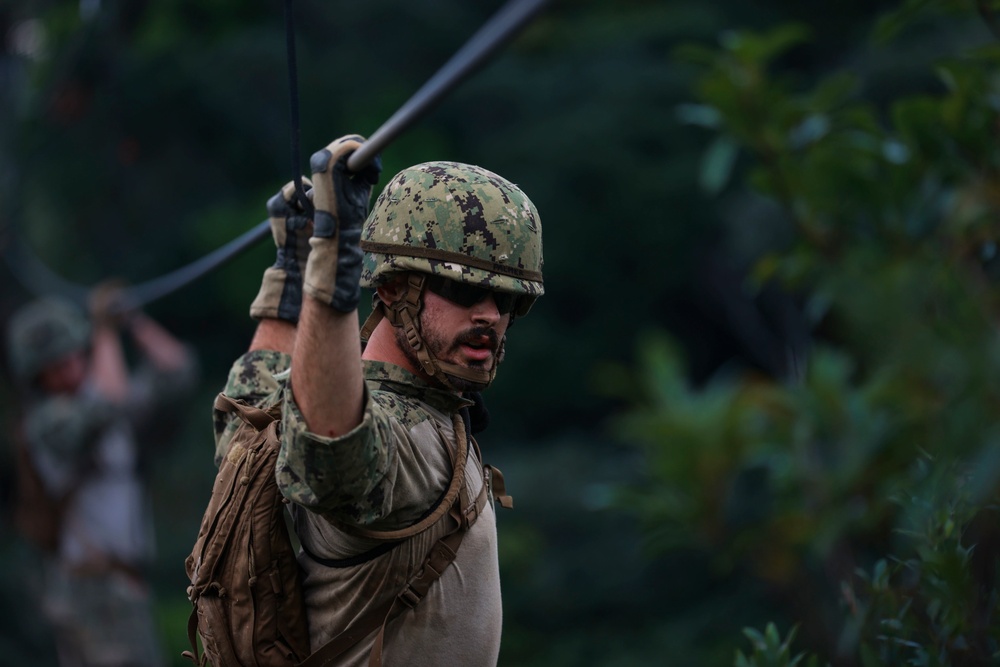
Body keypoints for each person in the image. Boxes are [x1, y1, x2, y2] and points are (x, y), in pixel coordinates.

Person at [214, 134, 544, 666]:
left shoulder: (419, 414)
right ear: (391, 290)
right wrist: (335, 253)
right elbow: (331, 450)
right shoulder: (408, 435)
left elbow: (247, 418)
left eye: (505, 299)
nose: (489, 314)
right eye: (463, 291)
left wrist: (292, 274)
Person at [5, 286, 198, 667]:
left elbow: (179, 371)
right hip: (89, 587)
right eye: (54, 366)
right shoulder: (47, 425)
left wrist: (133, 321)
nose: (69, 369)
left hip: (121, 584)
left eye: (71, 356)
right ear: (38, 378)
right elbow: (108, 405)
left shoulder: (108, 398)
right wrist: (104, 332)